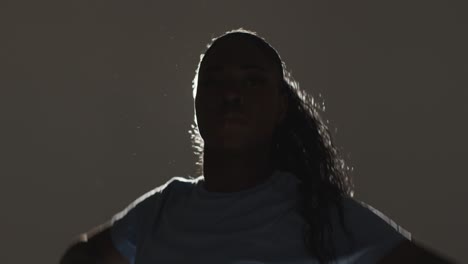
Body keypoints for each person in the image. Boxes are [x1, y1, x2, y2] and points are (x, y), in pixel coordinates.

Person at [60, 28, 456, 264]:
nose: (232, 94)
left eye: (252, 81)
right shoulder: (160, 211)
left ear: (281, 105)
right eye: (215, 81)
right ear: (196, 106)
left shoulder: (317, 212)